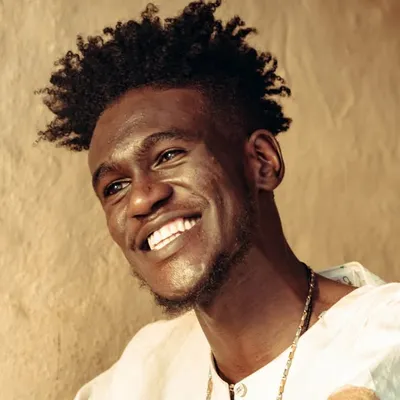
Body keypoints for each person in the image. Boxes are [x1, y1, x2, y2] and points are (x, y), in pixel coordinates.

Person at [37, 1, 400, 399]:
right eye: (114, 187)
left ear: (261, 162)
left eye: (168, 155)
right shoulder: (143, 369)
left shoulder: (382, 340)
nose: (140, 199)